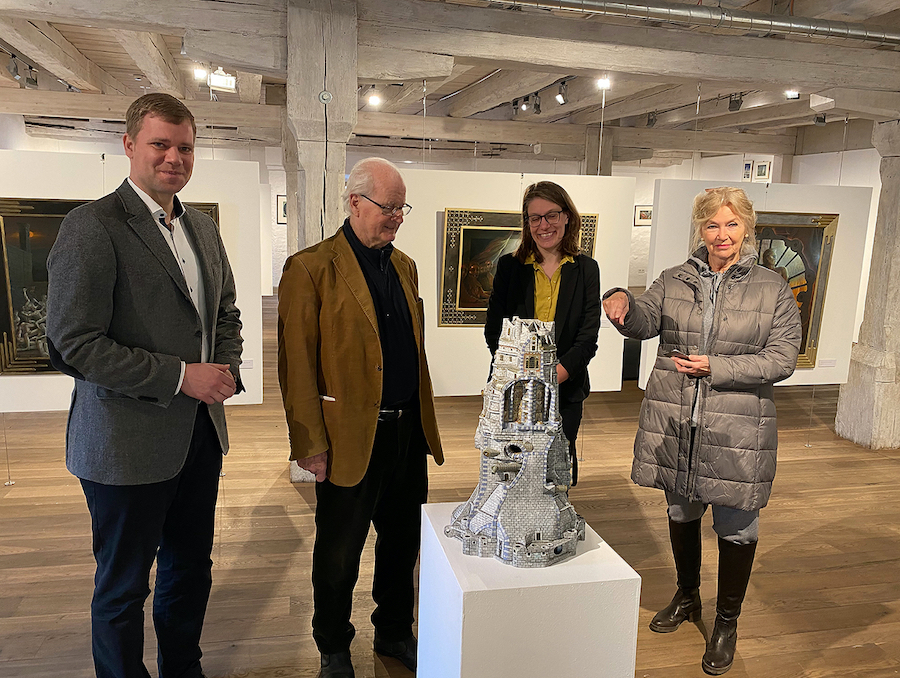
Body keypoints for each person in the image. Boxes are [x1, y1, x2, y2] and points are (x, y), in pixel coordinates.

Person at [46, 93, 244, 678]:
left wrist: (224, 369)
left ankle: (184, 668)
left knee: (190, 570)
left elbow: (225, 311)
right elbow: (73, 345)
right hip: (123, 446)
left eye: (185, 147)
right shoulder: (92, 226)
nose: (174, 158)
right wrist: (183, 376)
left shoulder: (201, 227)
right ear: (129, 145)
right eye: (160, 144)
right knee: (123, 587)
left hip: (200, 438)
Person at [602, 187, 801, 675]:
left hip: (737, 428)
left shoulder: (771, 287)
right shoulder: (674, 278)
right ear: (700, 230)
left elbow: (783, 357)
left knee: (737, 525)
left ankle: (726, 620)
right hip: (678, 422)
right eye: (712, 225)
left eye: (732, 225)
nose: (722, 234)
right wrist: (623, 303)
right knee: (681, 509)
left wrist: (719, 367)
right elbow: (647, 319)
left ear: (747, 227)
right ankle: (688, 595)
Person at [278, 157, 444, 678]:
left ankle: (394, 630)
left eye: (402, 208)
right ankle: (332, 644)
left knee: (401, 546)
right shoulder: (310, 268)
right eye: (387, 207)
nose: (396, 217)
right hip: (349, 437)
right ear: (354, 203)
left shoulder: (405, 266)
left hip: (406, 433)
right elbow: (296, 365)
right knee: (338, 554)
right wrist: (308, 442)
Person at [484, 181, 600, 485]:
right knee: (508, 471)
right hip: (514, 391)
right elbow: (495, 331)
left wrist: (552, 377)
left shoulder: (587, 269)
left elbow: (587, 338)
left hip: (565, 391)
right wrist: (524, 375)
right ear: (527, 223)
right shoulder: (509, 267)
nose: (543, 225)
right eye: (534, 218)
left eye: (551, 215)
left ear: (567, 217)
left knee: (554, 475)